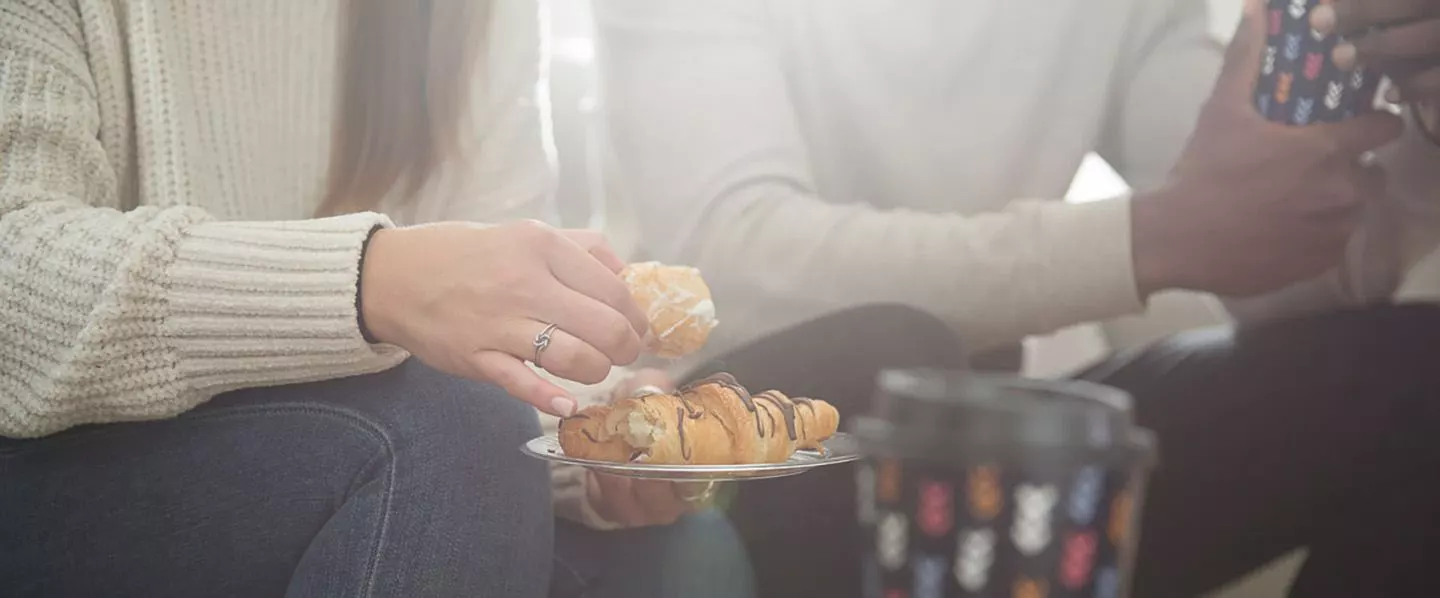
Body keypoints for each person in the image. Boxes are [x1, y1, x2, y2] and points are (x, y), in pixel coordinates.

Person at [597, 0, 1440, 595]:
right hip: (727, 443)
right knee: (893, 353)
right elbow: (734, 265)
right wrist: (1149, 239)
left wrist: (1428, 119)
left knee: (1420, 379)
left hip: (987, 458)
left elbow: (1280, 259)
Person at [0, 1, 751, 597]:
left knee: (686, 551)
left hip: (388, 452)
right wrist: (369, 280)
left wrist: (595, 438)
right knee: (446, 429)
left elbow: (510, 338)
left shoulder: (468, 16)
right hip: (58, 465)